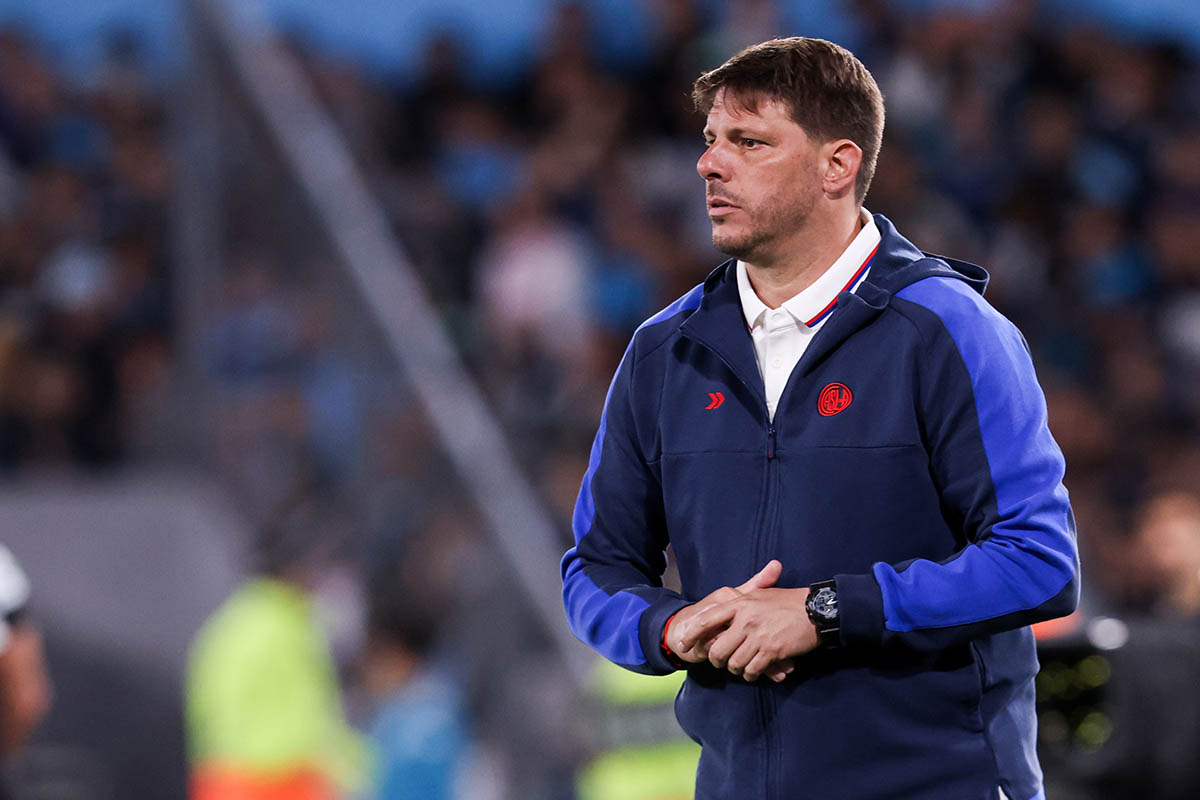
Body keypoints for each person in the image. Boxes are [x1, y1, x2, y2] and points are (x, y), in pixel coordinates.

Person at [561, 37, 1079, 800]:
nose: (709, 164)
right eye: (710, 139)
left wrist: (825, 612)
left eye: (750, 142)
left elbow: (1039, 561)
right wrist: (668, 628)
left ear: (837, 166)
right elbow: (595, 566)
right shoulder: (664, 352)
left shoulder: (948, 330)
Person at [185, 503, 369, 800]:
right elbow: (311, 717)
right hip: (277, 781)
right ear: (295, 568)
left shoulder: (232, 621)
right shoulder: (287, 628)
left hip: (221, 780)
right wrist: (359, 770)